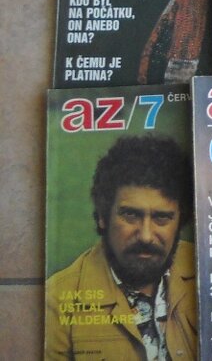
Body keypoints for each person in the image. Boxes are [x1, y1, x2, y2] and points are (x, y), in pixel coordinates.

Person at [45, 135, 197, 360]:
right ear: (103, 217)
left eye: (162, 217)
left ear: (180, 221)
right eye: (130, 215)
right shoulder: (57, 301)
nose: (146, 236)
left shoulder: (207, 270)